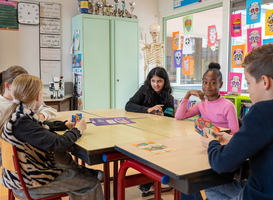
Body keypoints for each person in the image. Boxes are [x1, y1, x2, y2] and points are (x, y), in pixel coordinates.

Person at [0, 74, 104, 200]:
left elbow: (39, 125)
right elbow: (60, 144)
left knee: (77, 170)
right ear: (38, 96)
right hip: (30, 183)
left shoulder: (17, 113)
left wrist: (63, 125)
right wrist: (78, 130)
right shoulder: (22, 123)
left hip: (23, 176)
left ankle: (84, 174)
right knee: (90, 183)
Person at [200, 43, 273, 200]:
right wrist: (233, 140)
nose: (248, 89)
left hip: (260, 194)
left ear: (265, 82)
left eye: (248, 83)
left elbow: (222, 163)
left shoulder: (261, 112)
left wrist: (212, 143)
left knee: (208, 184)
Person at [125, 66, 174, 194]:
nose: (156, 84)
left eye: (159, 81)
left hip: (161, 132)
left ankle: (152, 180)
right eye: (153, 81)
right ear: (149, 81)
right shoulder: (144, 91)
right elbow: (129, 105)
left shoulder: (169, 97)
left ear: (165, 82)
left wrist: (164, 116)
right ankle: (147, 180)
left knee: (161, 154)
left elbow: (170, 116)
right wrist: (148, 110)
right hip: (145, 130)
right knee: (147, 155)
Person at [175, 62, 239, 135]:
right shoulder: (201, 104)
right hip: (207, 140)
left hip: (223, 142)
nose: (208, 86)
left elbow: (234, 133)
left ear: (220, 84)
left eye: (212, 83)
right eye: (205, 82)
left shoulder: (228, 106)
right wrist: (188, 94)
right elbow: (179, 116)